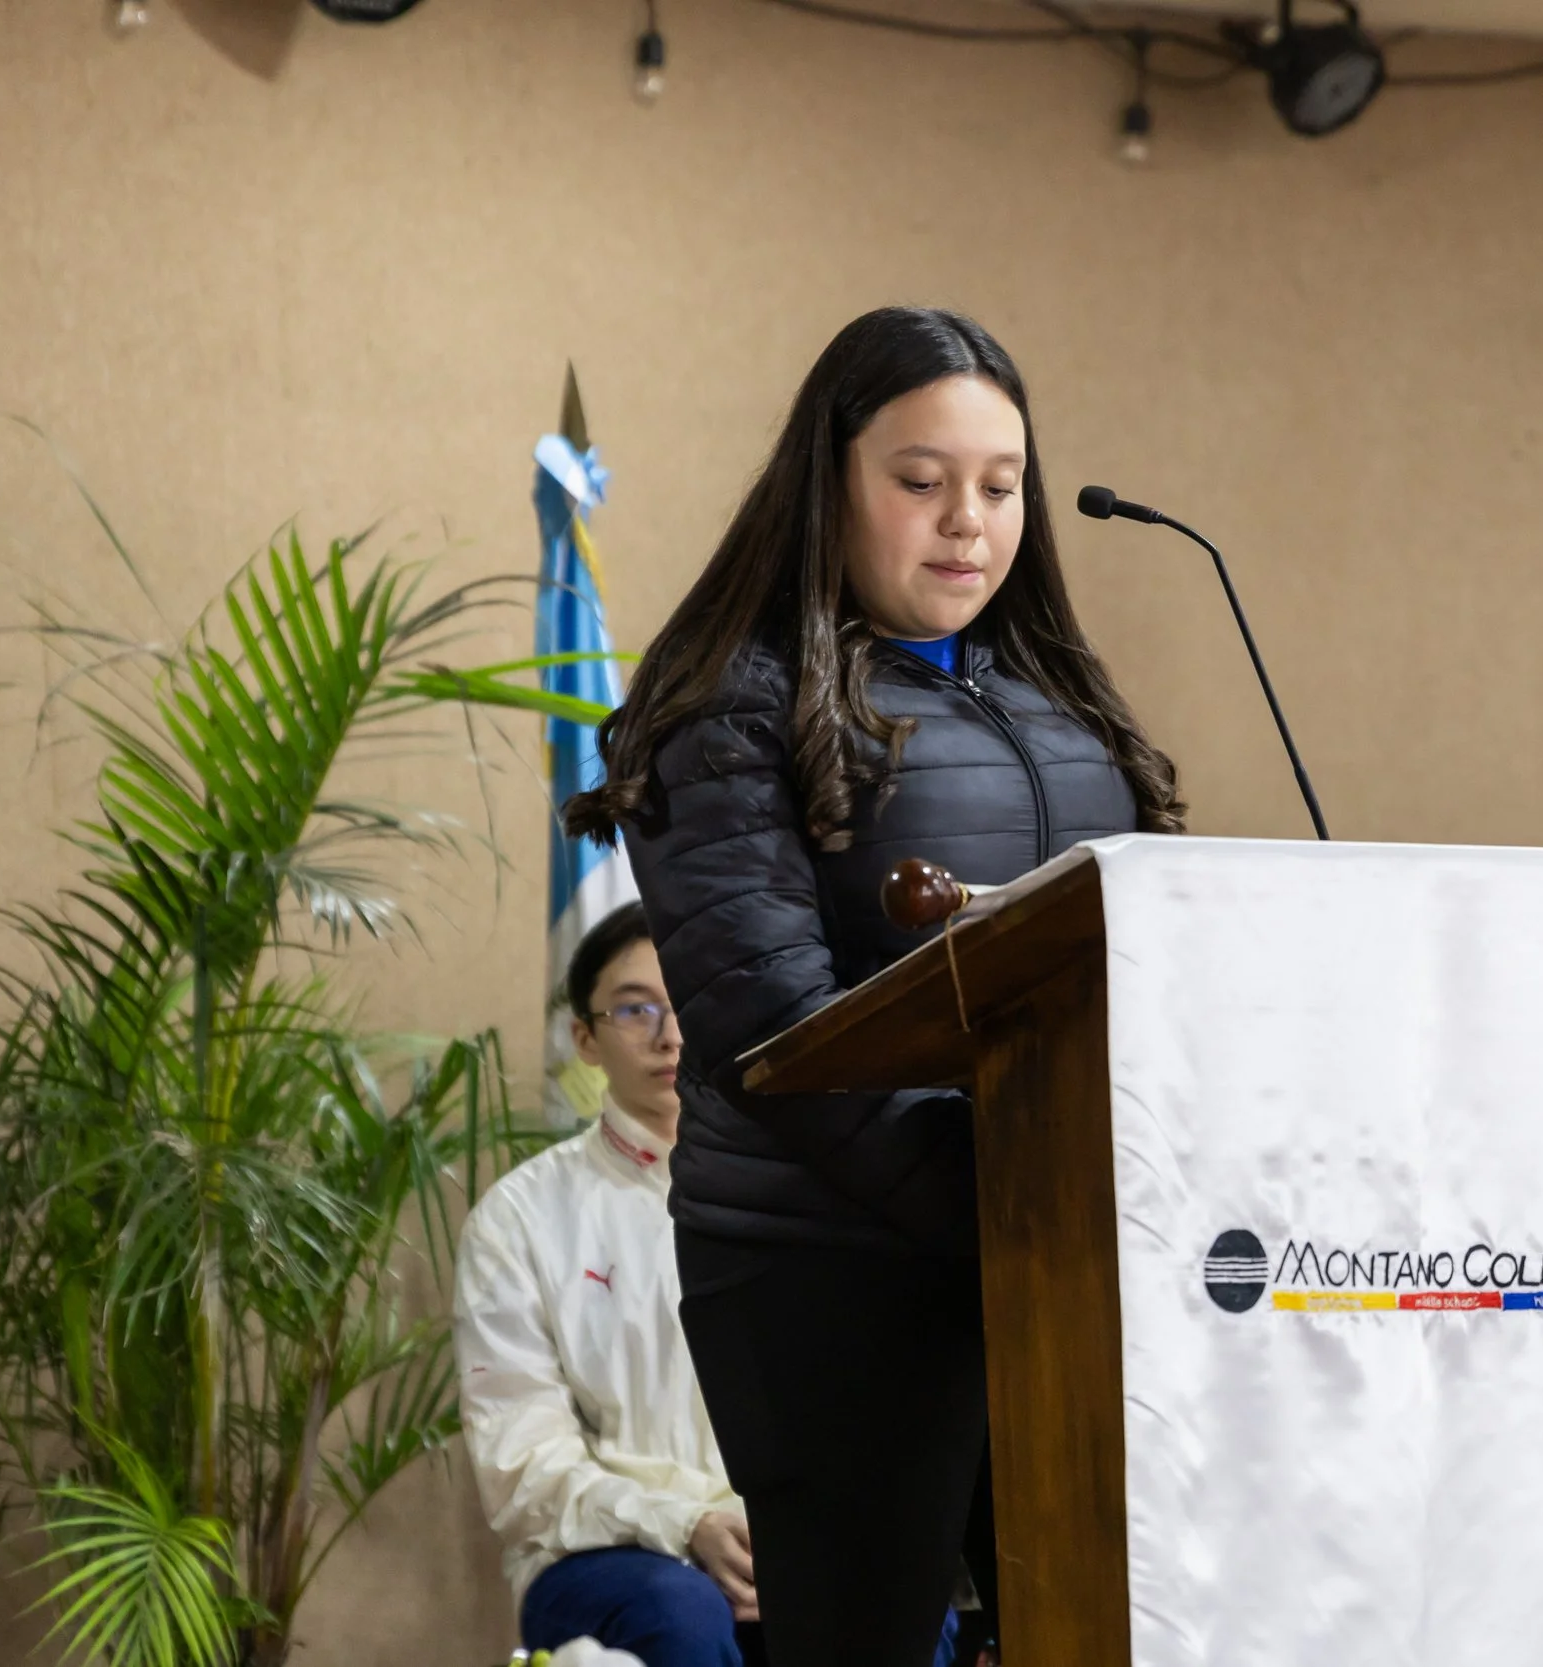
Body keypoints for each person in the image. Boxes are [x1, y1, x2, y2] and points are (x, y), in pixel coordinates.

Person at [560, 306, 1183, 1667]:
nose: (968, 520)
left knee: (1100, 1626)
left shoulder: (1063, 698)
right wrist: (1010, 1209)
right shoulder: (728, 701)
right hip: (821, 1266)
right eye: (921, 480)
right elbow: (773, 1023)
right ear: (829, 481)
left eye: (1001, 486)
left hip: (1050, 1251)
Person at [454, 904, 756, 1667]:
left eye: (688, 1001)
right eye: (635, 1008)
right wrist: (684, 1522)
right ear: (585, 1038)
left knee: (899, 1612)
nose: (671, 1034)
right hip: (600, 1552)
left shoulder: (792, 1194)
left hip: (772, 1538)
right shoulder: (519, 1218)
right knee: (680, 1615)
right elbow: (522, 1467)